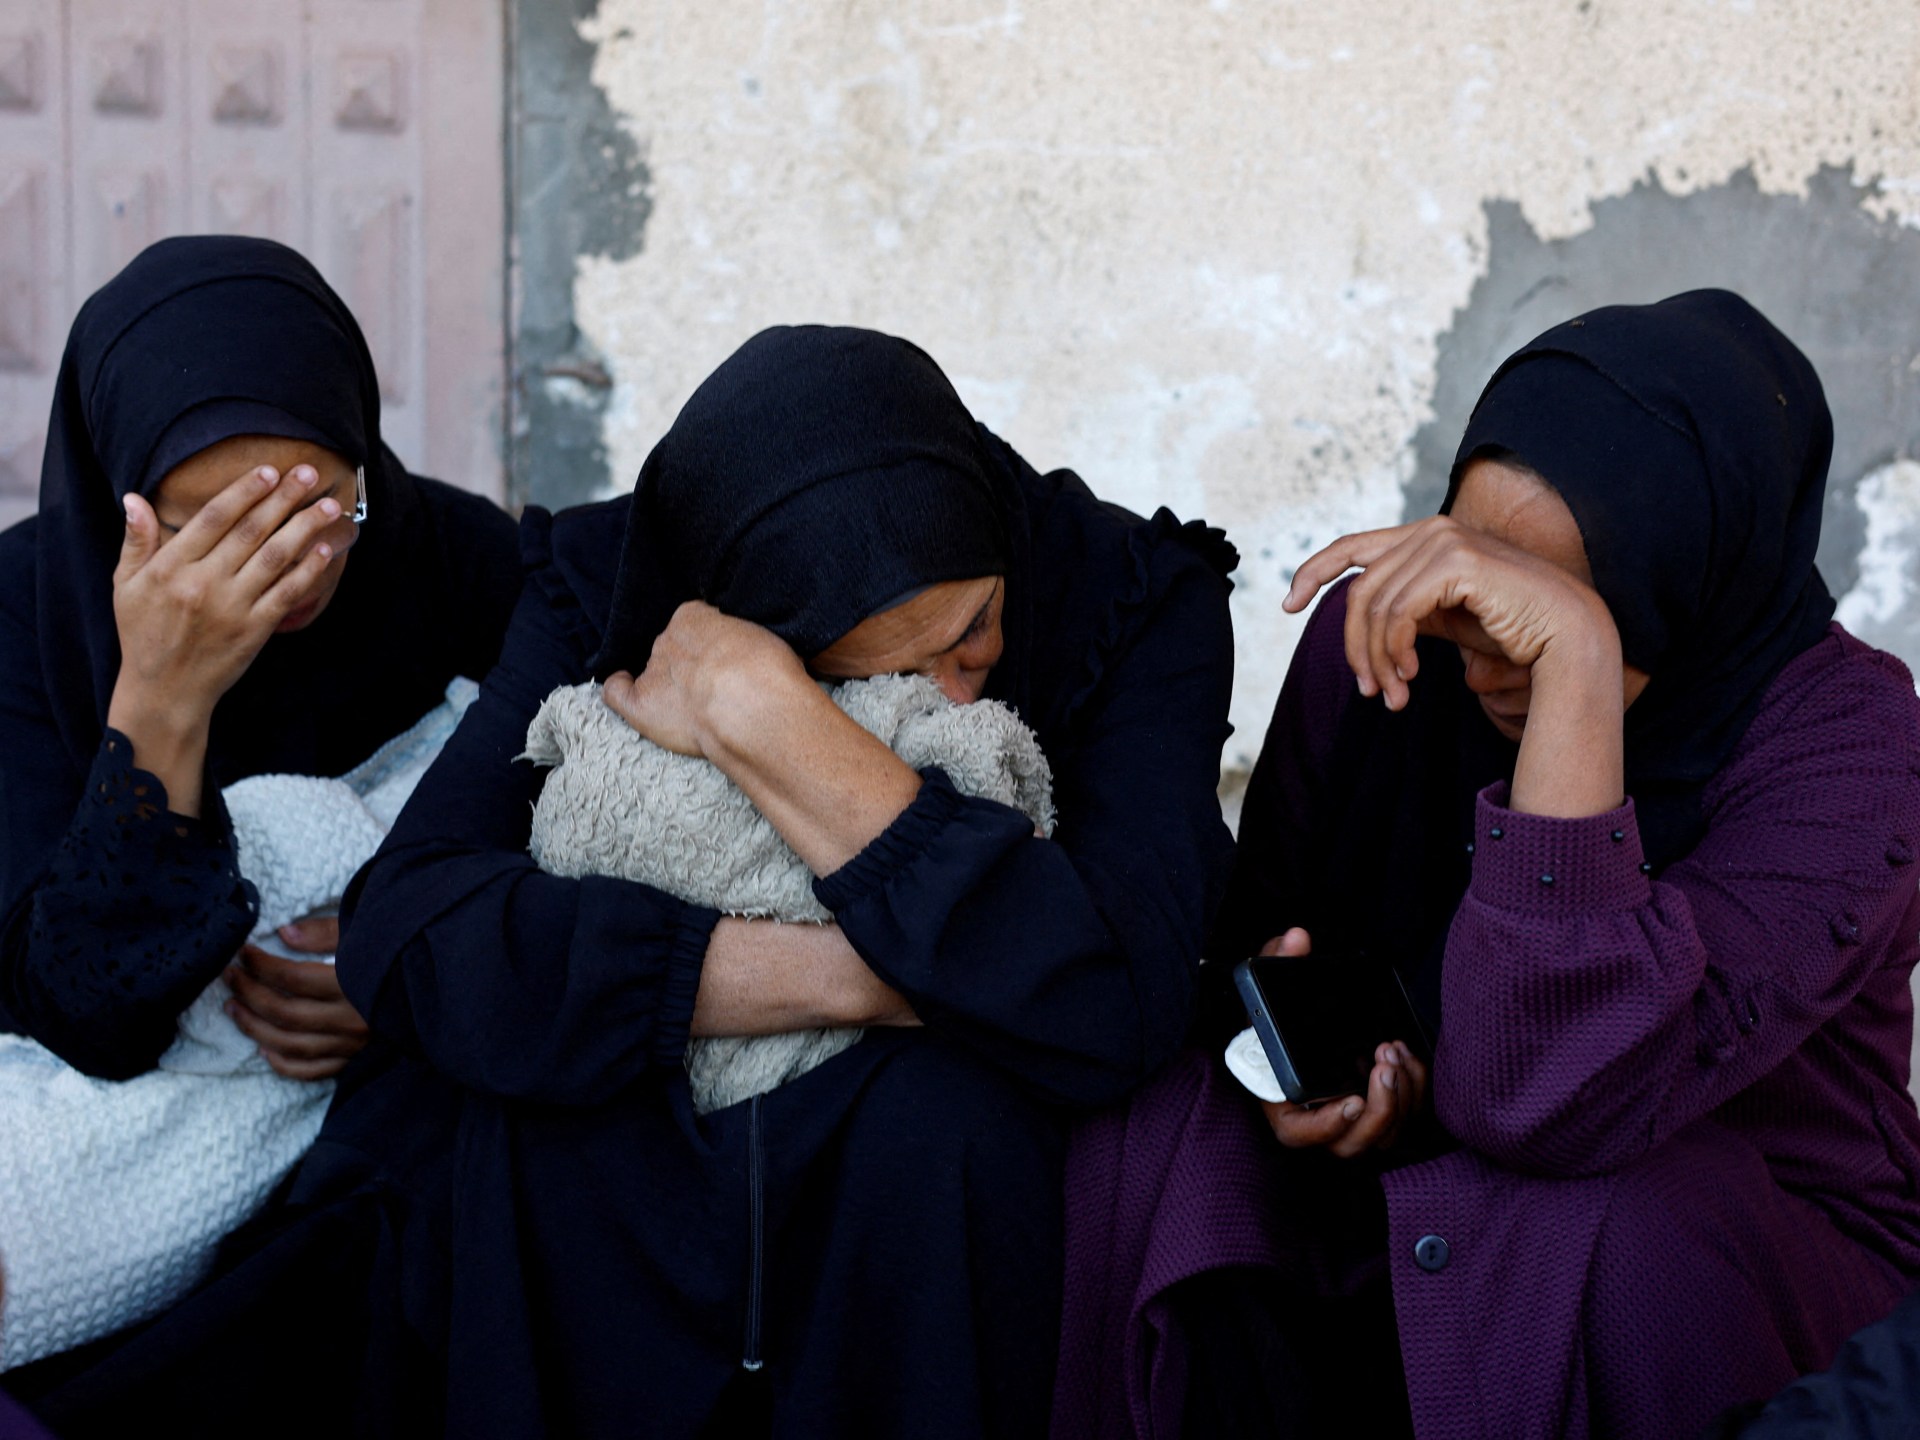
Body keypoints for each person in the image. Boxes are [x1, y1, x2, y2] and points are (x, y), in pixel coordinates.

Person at [30, 325, 1238, 1439]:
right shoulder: (613, 578)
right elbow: (410, 930)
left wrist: (765, 718)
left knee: (934, 1123)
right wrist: (885, 975)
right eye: (866, 683)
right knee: (530, 1132)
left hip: (917, 1226)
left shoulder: (1131, 600)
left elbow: (1120, 995)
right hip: (619, 1225)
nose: (958, 695)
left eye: (975, 633)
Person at [1054, 290, 1920, 1440]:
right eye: (1476, 595)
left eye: (1561, 610)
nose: (1486, 662)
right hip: (1442, 1151)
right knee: (1162, 1126)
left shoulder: (1855, 748)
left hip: (1730, 1223)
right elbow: (1256, 941)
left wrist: (1577, 674)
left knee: (1596, 1222)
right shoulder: (1388, 640)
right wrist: (1341, 1075)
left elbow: (1555, 1096)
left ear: (1693, 575)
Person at [0, 236, 520, 1370]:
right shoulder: (20, 620)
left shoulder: (460, 565)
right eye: (209, 527)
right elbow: (82, 1017)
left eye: (319, 507)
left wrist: (414, 981)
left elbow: (561, 837)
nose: (286, 564)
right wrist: (163, 696)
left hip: (386, 1151)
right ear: (121, 500)